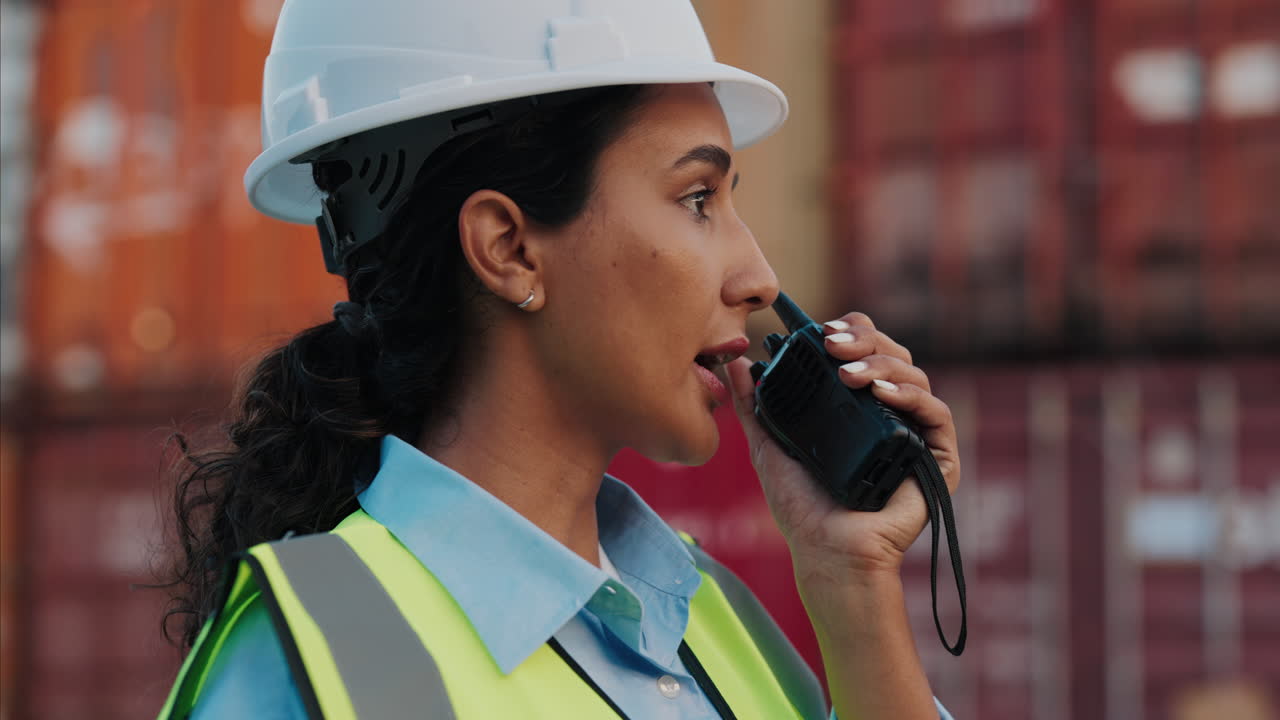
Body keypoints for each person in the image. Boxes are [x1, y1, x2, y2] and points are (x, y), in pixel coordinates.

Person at [156, 1, 961, 718]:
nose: (759, 279)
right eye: (697, 199)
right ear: (507, 249)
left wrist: (852, 582)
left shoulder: (717, 621)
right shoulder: (312, 660)